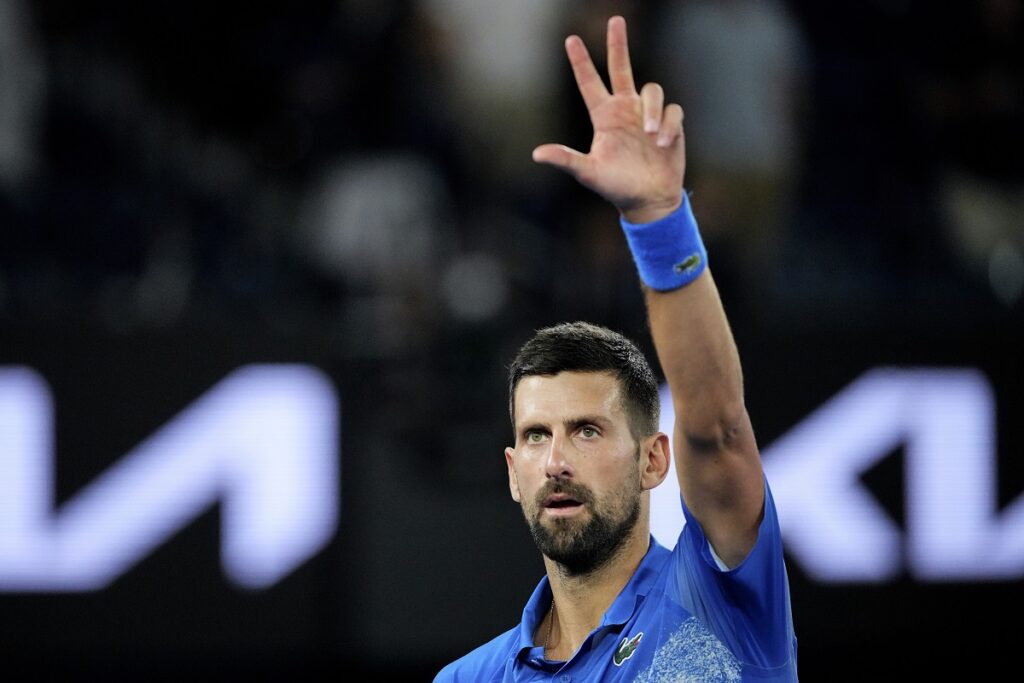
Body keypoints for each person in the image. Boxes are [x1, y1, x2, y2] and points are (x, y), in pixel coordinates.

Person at [434, 15, 798, 682]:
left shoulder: (719, 602)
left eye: (588, 430)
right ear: (513, 472)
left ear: (654, 457)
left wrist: (658, 218)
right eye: (537, 435)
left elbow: (716, 427)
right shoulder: (466, 680)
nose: (558, 460)